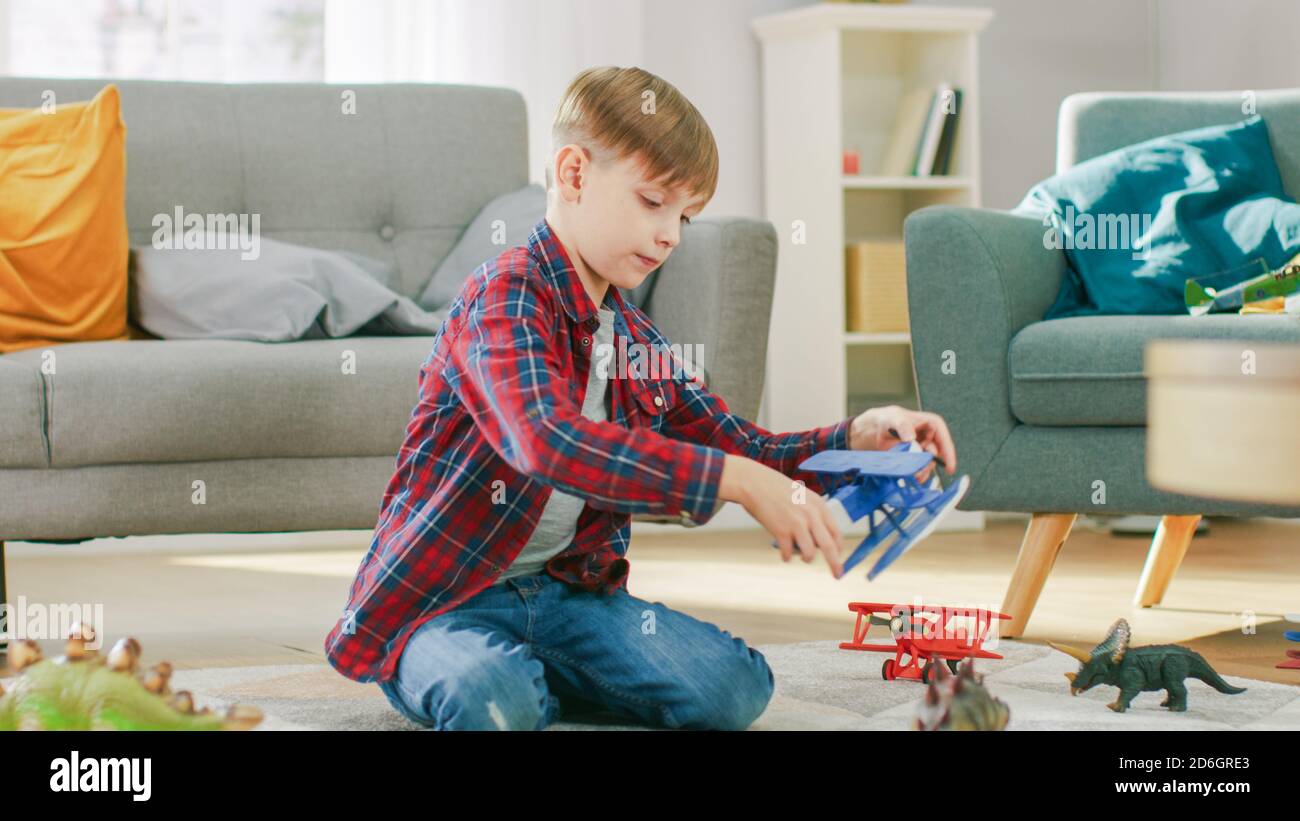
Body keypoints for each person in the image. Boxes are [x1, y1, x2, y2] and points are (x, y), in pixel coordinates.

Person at [324, 65, 957, 730]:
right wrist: (734, 481)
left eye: (685, 216)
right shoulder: (503, 296)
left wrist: (860, 433)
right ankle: (472, 670)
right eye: (653, 203)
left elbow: (745, 447)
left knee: (734, 687)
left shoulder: (632, 334)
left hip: (570, 596)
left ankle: (538, 674)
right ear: (573, 174)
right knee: (493, 700)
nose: (671, 236)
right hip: (446, 599)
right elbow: (544, 438)